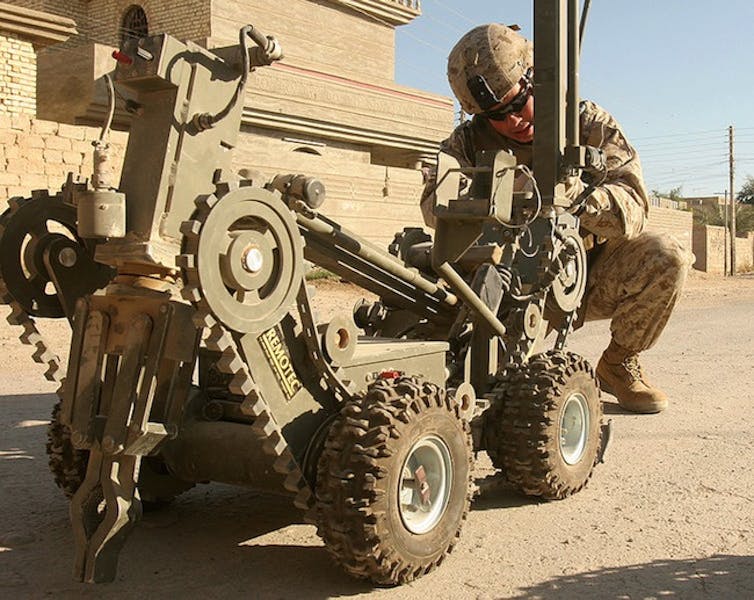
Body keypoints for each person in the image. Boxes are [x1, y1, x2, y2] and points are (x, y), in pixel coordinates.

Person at [421, 23, 692, 414]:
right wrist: (499, 197)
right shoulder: (465, 142)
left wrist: (579, 202)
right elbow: (433, 206)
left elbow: (633, 204)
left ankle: (617, 365)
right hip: (500, 277)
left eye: (518, 103)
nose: (513, 120)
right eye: (498, 115)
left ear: (534, 80)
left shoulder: (587, 123)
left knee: (667, 256)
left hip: (584, 272)